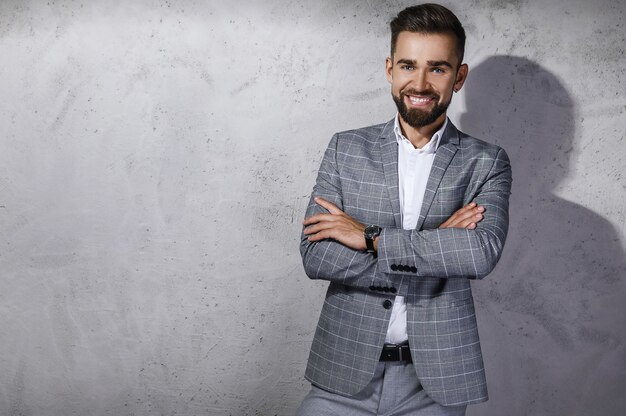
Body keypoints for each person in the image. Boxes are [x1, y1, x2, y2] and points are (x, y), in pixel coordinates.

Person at [297, 3, 512, 415]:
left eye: (438, 68)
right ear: (389, 69)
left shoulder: (485, 161)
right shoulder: (346, 149)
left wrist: (368, 237)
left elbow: (480, 254)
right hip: (343, 371)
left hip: (434, 385)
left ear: (459, 76)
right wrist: (436, 245)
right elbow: (316, 254)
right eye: (408, 65)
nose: (420, 82)